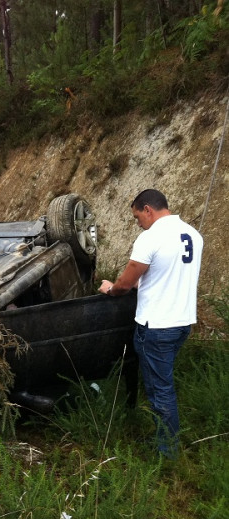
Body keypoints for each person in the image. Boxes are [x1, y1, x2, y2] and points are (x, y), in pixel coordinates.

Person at [99, 189, 203, 459]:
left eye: (137, 217)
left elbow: (123, 284)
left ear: (148, 210)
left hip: (157, 326)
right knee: (162, 384)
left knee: (160, 391)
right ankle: (166, 440)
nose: (138, 223)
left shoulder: (150, 237)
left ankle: (167, 452)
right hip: (182, 324)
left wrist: (111, 288)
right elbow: (166, 272)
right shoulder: (193, 234)